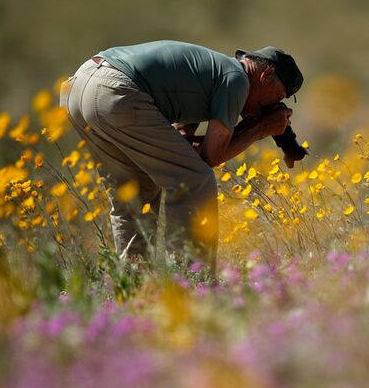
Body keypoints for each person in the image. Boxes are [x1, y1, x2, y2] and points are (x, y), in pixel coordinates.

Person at [60, 40, 303, 272]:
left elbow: (182, 141)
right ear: (266, 75)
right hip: (116, 90)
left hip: (81, 87)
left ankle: (132, 284)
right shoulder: (237, 79)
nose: (273, 106)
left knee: (135, 192)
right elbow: (210, 158)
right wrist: (260, 129)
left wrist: (249, 128)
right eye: (278, 98)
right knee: (195, 180)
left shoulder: (210, 73)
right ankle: (191, 280)